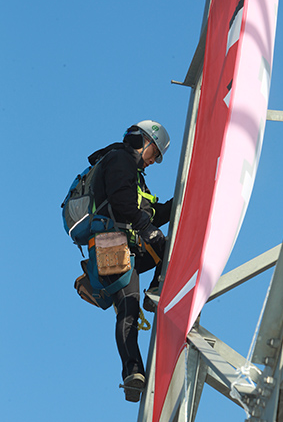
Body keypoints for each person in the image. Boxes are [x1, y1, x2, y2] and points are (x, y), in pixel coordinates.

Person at [87, 120, 172, 402]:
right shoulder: (122, 158)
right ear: (144, 142)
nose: (153, 162)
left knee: (128, 308)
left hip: (120, 247)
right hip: (114, 244)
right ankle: (157, 289)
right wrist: (146, 227)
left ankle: (132, 373)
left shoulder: (132, 171)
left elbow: (147, 211)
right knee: (167, 247)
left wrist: (176, 205)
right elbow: (124, 203)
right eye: (154, 154)